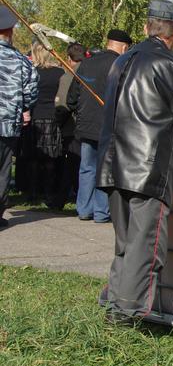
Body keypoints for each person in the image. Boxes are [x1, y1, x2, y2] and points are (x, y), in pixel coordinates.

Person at [96, 0, 173, 323]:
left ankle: (115, 301)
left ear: (146, 27)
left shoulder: (121, 60)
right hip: (147, 168)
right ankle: (126, 313)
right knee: (144, 246)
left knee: (126, 242)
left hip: (112, 163)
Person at [68, 29, 132, 222]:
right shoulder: (121, 64)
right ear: (124, 47)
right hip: (109, 125)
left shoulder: (87, 63)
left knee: (87, 168)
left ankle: (84, 209)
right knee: (106, 169)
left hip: (86, 124)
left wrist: (79, 111)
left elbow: (72, 96)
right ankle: (101, 211)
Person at [0, 5, 38, 227]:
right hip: (8, 124)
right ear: (10, 31)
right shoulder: (21, 60)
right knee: (3, 170)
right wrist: (22, 106)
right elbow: (31, 91)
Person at [28, 42, 64, 206]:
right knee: (51, 158)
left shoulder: (32, 72)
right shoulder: (59, 73)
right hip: (52, 117)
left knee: (34, 159)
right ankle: (49, 193)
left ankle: (33, 193)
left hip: (35, 116)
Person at [54, 42, 86, 209]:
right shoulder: (91, 72)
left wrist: (58, 123)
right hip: (90, 125)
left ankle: (62, 198)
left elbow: (62, 105)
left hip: (72, 126)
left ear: (69, 58)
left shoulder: (68, 77)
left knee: (72, 164)